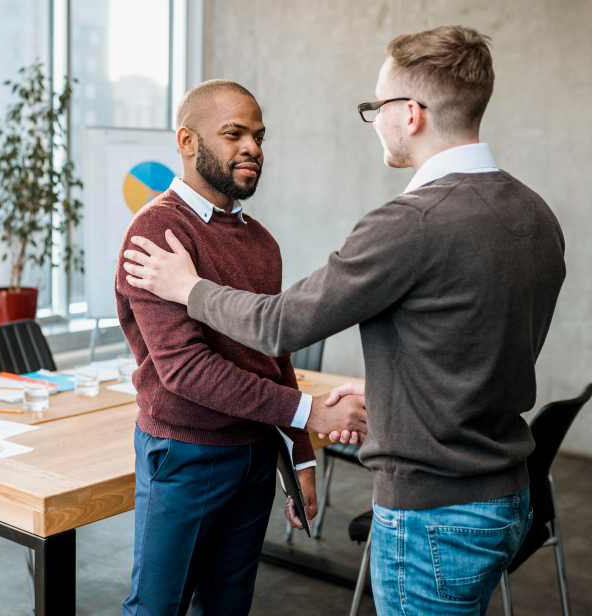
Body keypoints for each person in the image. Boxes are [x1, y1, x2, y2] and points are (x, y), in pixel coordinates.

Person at [122, 26, 566, 615]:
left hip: (429, 508)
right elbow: (473, 352)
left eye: (376, 108)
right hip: (503, 498)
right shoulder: (535, 213)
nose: (253, 146)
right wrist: (340, 419)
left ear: (410, 114)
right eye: (235, 134)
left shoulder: (407, 223)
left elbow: (277, 332)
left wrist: (191, 289)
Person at [115, 79, 367, 616]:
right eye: (233, 134)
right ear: (187, 141)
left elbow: (274, 357)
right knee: (157, 608)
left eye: (258, 135)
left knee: (229, 606)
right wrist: (312, 412)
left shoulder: (261, 241)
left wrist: (299, 455)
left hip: (256, 453)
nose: (252, 147)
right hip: (188, 453)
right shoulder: (157, 233)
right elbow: (186, 370)